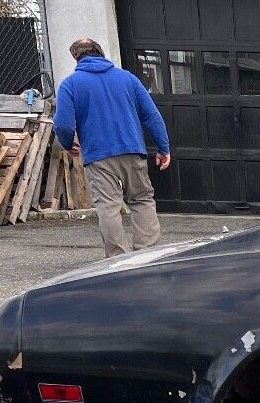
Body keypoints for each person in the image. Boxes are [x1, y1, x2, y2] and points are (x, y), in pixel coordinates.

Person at [52, 37, 171, 257]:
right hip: (133, 150)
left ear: (76, 57)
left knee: (108, 207)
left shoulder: (70, 84)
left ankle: (117, 261)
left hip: (98, 157)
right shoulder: (128, 79)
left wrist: (68, 144)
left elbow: (62, 124)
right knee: (141, 199)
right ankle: (147, 255)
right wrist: (163, 148)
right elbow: (152, 115)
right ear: (101, 53)